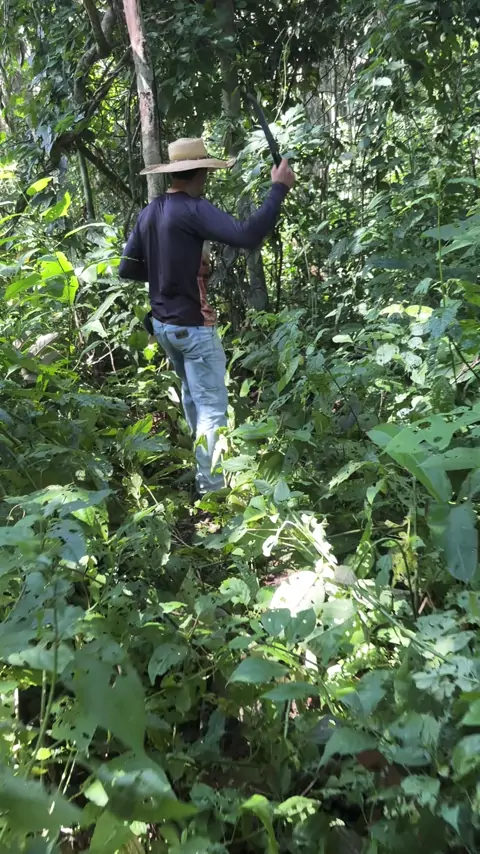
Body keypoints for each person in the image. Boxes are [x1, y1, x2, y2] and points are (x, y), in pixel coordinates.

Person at [119, 137, 295, 496]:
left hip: (164, 326)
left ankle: (205, 476)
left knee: (193, 399)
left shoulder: (151, 211)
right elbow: (248, 235)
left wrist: (168, 273)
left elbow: (128, 268)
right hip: (193, 328)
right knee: (212, 409)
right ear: (201, 172)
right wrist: (278, 189)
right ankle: (212, 491)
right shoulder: (192, 209)